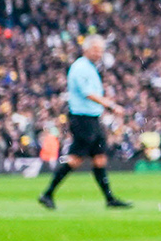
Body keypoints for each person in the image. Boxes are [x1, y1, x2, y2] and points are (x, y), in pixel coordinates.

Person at [38, 33, 128, 210]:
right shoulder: (80, 67)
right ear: (85, 48)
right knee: (76, 159)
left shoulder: (90, 67)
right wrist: (111, 105)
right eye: (95, 49)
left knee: (100, 158)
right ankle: (47, 193)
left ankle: (110, 199)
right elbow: (88, 93)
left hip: (93, 118)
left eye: (101, 50)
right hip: (82, 118)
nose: (99, 53)